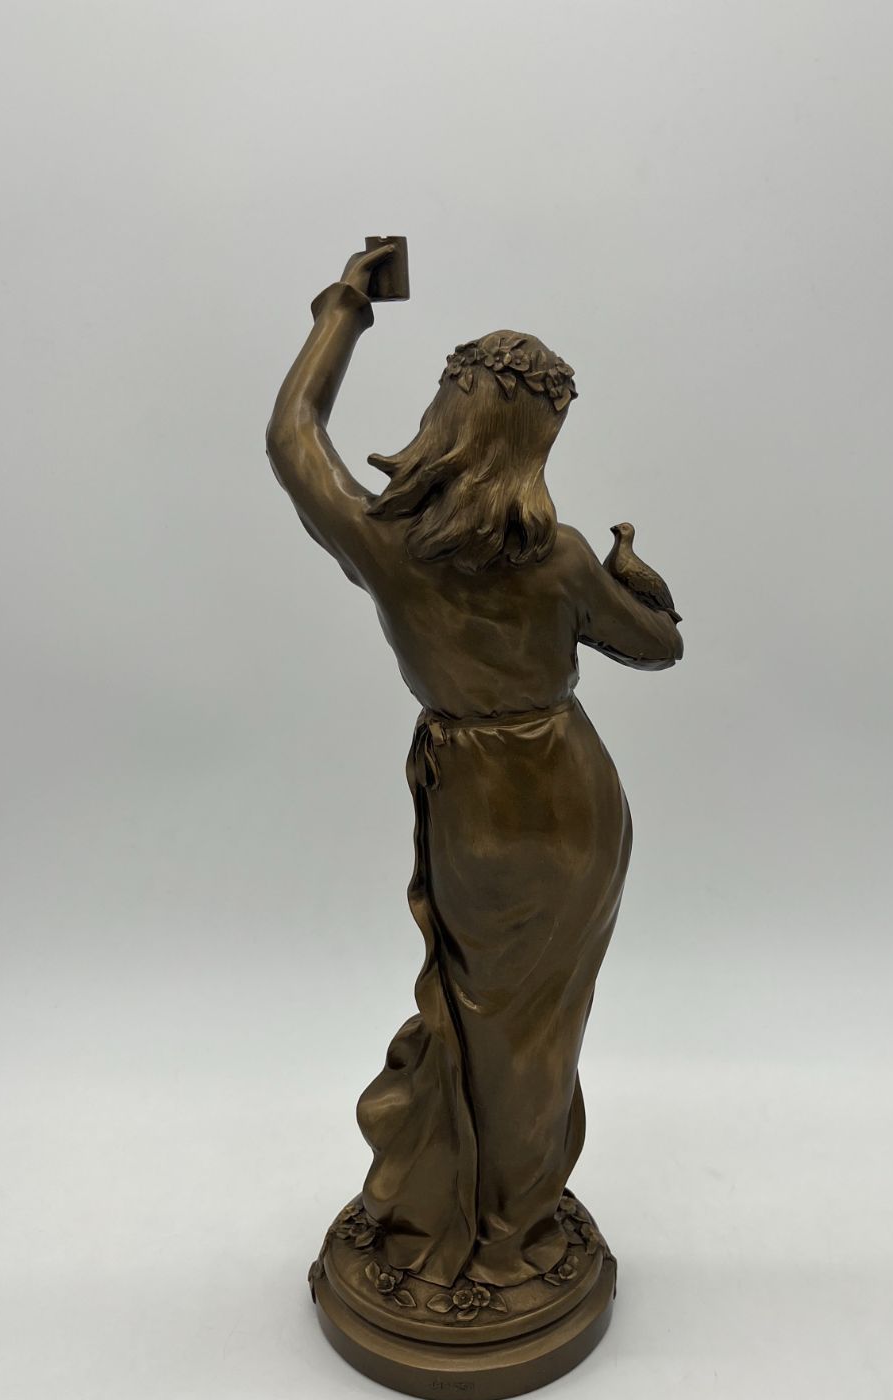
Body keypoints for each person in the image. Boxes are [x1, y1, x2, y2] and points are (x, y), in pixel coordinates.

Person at [266, 243, 681, 1292]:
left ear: (451, 416)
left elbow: (292, 434)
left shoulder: (385, 542)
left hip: (476, 805)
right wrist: (642, 579)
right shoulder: (564, 557)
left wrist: (346, 306)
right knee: (536, 1028)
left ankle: (491, 1225)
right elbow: (658, 647)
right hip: (572, 797)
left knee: (482, 1014)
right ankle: (508, 1227)